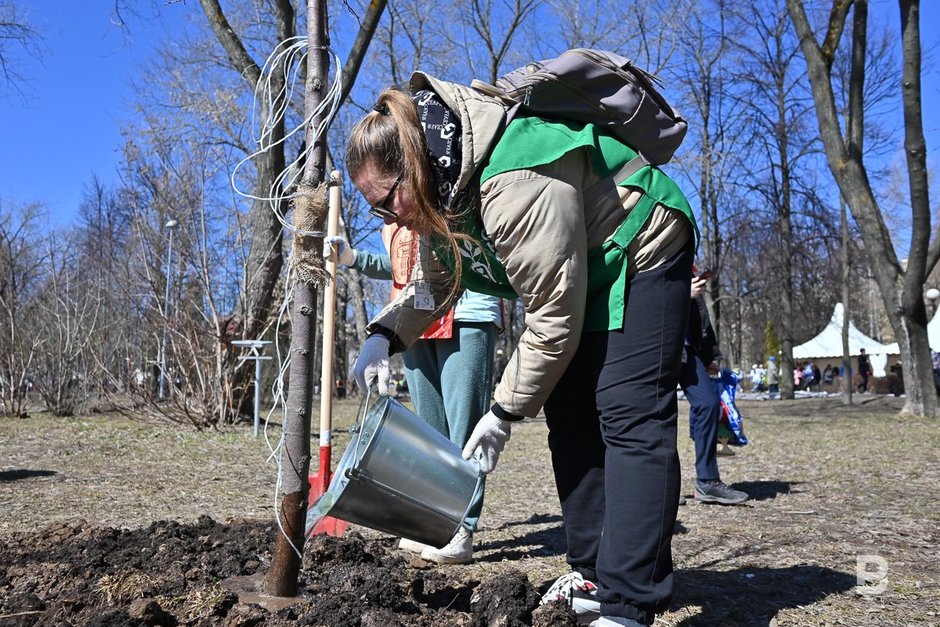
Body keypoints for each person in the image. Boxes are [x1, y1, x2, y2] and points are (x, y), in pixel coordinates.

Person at [347, 71, 697, 627]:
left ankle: (630, 599)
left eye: (387, 201)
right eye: (377, 212)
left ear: (412, 166)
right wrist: (383, 335)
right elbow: (438, 284)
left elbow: (554, 312)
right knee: (571, 416)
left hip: (641, 243)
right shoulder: (445, 187)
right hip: (581, 269)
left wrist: (503, 411)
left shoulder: (511, 179)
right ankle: (592, 572)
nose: (389, 219)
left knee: (629, 417)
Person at [325, 224, 502, 564]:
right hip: (413, 321)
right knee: (428, 433)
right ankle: (433, 520)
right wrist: (351, 257)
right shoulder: (392, 219)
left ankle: (461, 527)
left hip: (466, 313)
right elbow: (399, 266)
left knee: (463, 429)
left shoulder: (447, 188)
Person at [678, 272, 748, 505]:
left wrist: (710, 355)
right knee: (660, 415)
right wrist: (680, 294)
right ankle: (661, 486)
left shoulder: (690, 267)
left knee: (708, 404)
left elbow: (701, 315)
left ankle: (707, 481)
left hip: (689, 351)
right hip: (658, 346)